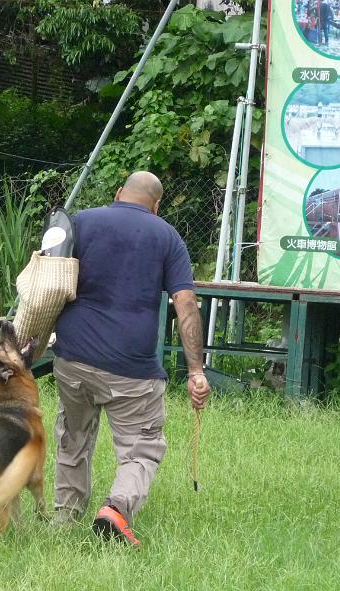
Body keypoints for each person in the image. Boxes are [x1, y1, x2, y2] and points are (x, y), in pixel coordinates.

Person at [50, 171, 211, 546]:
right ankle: (117, 509)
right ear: (156, 205)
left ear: (119, 193)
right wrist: (196, 371)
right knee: (143, 446)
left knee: (74, 435)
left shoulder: (82, 222)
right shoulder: (166, 236)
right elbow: (185, 305)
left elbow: (50, 281)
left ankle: (65, 515)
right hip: (131, 367)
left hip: (72, 357)